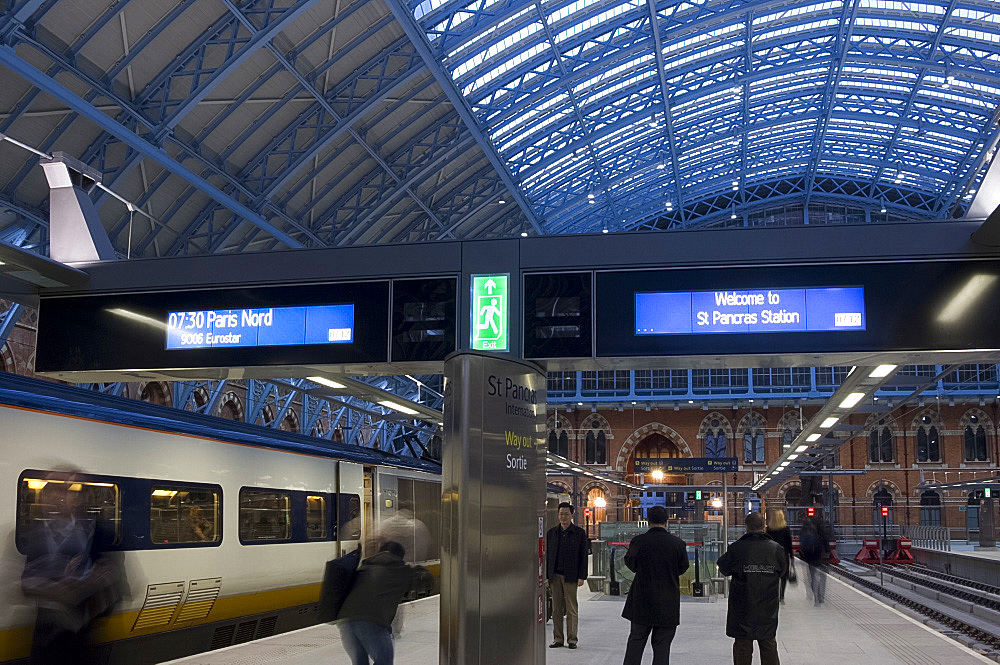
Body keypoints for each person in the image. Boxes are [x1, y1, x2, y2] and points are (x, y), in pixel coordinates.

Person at [21, 472, 121, 665]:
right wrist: (57, 588)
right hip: (46, 641)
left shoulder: (100, 535)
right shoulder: (38, 534)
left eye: (66, 492)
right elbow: (25, 583)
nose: (56, 498)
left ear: (80, 499)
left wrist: (88, 585)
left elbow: (117, 584)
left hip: (83, 641)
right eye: (52, 491)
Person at [621, 505, 689, 665]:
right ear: (667, 521)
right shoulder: (678, 544)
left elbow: (631, 563)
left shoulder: (638, 541)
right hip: (667, 601)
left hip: (641, 600)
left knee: (636, 642)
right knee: (662, 647)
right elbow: (683, 567)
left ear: (647, 521)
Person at [717, 512, 788, 665]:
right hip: (767, 605)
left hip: (743, 605)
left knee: (742, 644)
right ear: (764, 527)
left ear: (746, 527)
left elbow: (723, 568)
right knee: (768, 643)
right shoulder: (776, 549)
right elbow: (783, 571)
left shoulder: (736, 548)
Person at [337, 541, 413, 665]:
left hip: (345, 622)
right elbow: (420, 580)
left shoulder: (365, 566)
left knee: (360, 662)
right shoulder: (399, 568)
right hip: (371, 622)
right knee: (384, 661)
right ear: (399, 556)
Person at [545, 502, 589, 649]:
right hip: (554, 575)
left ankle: (572, 639)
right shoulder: (552, 533)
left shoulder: (579, 533)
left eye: (566, 514)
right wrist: (547, 576)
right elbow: (548, 556)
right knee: (556, 608)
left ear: (572, 515)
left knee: (571, 608)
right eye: (561, 514)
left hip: (571, 576)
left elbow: (583, 556)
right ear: (558, 515)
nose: (563, 516)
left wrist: (582, 576)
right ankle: (558, 639)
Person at [799, 512, 830, 605]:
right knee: (821, 574)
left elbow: (801, 542)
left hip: (808, 554)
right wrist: (827, 549)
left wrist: (803, 554)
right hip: (818, 552)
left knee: (812, 576)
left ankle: (816, 597)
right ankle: (820, 596)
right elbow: (824, 537)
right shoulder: (819, 524)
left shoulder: (804, 527)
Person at [765, 509, 794, 602]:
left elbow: (766, 542)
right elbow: (789, 543)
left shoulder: (769, 529)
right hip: (783, 555)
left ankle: (774, 593)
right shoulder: (785, 529)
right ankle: (782, 595)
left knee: (773, 575)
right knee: (784, 575)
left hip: (772, 555)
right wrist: (791, 555)